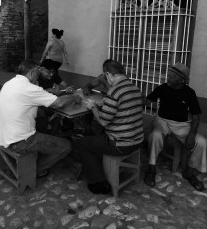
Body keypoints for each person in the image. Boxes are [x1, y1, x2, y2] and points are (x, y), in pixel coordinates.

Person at [0, 60, 82, 178]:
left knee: (44, 126)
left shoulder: (9, 83)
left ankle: (45, 151)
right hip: (19, 141)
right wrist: (74, 97)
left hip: (3, 135)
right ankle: (34, 170)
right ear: (31, 73)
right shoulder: (29, 88)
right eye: (37, 72)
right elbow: (60, 103)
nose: (38, 75)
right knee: (66, 146)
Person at [74, 60, 144, 195]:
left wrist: (93, 107)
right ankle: (98, 165)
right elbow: (122, 108)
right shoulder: (134, 88)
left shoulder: (114, 91)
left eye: (106, 77)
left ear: (108, 74)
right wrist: (103, 104)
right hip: (138, 140)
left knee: (81, 143)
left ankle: (100, 182)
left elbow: (103, 122)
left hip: (120, 144)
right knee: (94, 139)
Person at [144, 62, 206, 191]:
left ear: (181, 79)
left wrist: (192, 135)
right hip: (162, 121)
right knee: (155, 136)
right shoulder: (163, 88)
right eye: (169, 74)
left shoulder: (189, 93)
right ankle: (151, 168)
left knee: (201, 142)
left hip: (181, 125)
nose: (169, 78)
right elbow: (147, 101)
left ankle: (189, 171)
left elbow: (196, 117)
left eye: (172, 76)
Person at [36, 59, 74, 135]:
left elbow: (65, 84)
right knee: (42, 115)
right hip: (38, 104)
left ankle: (55, 134)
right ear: (41, 69)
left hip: (50, 102)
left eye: (53, 72)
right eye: (48, 72)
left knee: (61, 112)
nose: (51, 74)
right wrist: (50, 90)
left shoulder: (54, 75)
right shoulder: (36, 77)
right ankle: (42, 133)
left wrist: (69, 87)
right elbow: (36, 94)